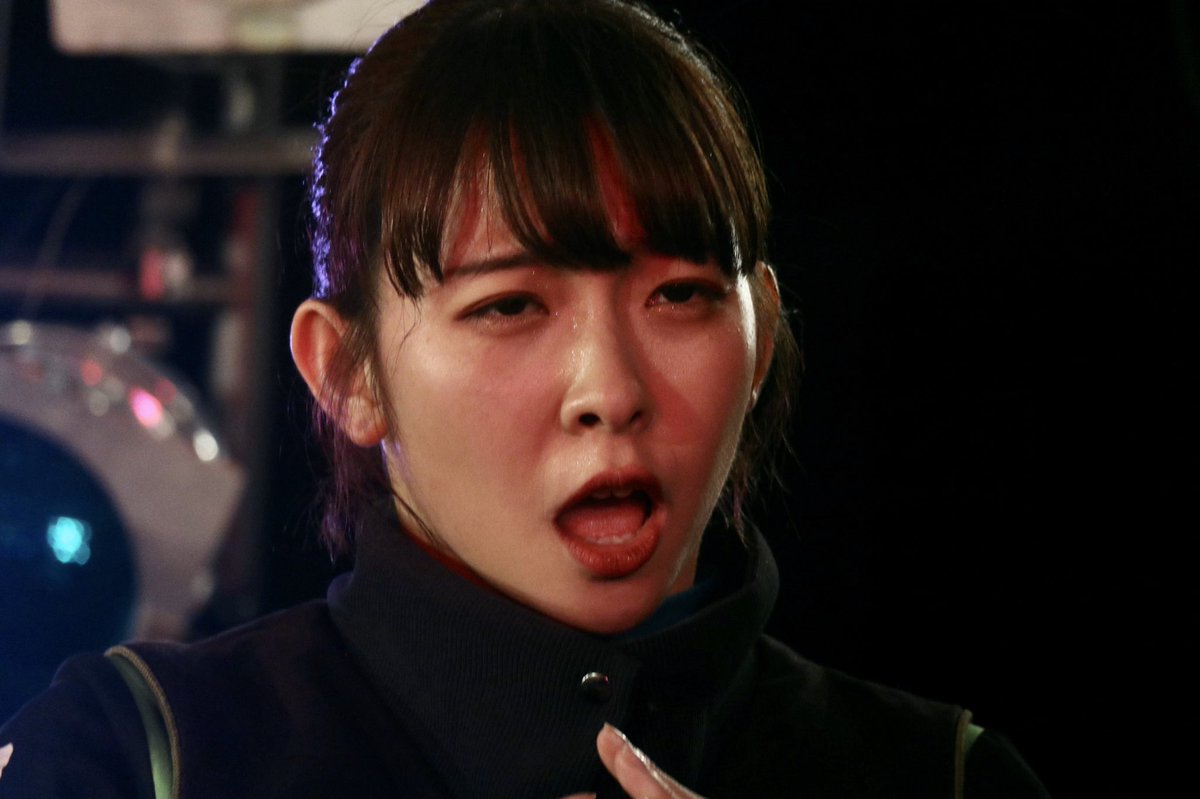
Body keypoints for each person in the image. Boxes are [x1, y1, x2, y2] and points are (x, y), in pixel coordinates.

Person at [0, 1, 1049, 797]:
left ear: (762, 333)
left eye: (681, 295)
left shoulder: (946, 776)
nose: (611, 391)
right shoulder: (139, 757)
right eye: (509, 306)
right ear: (347, 373)